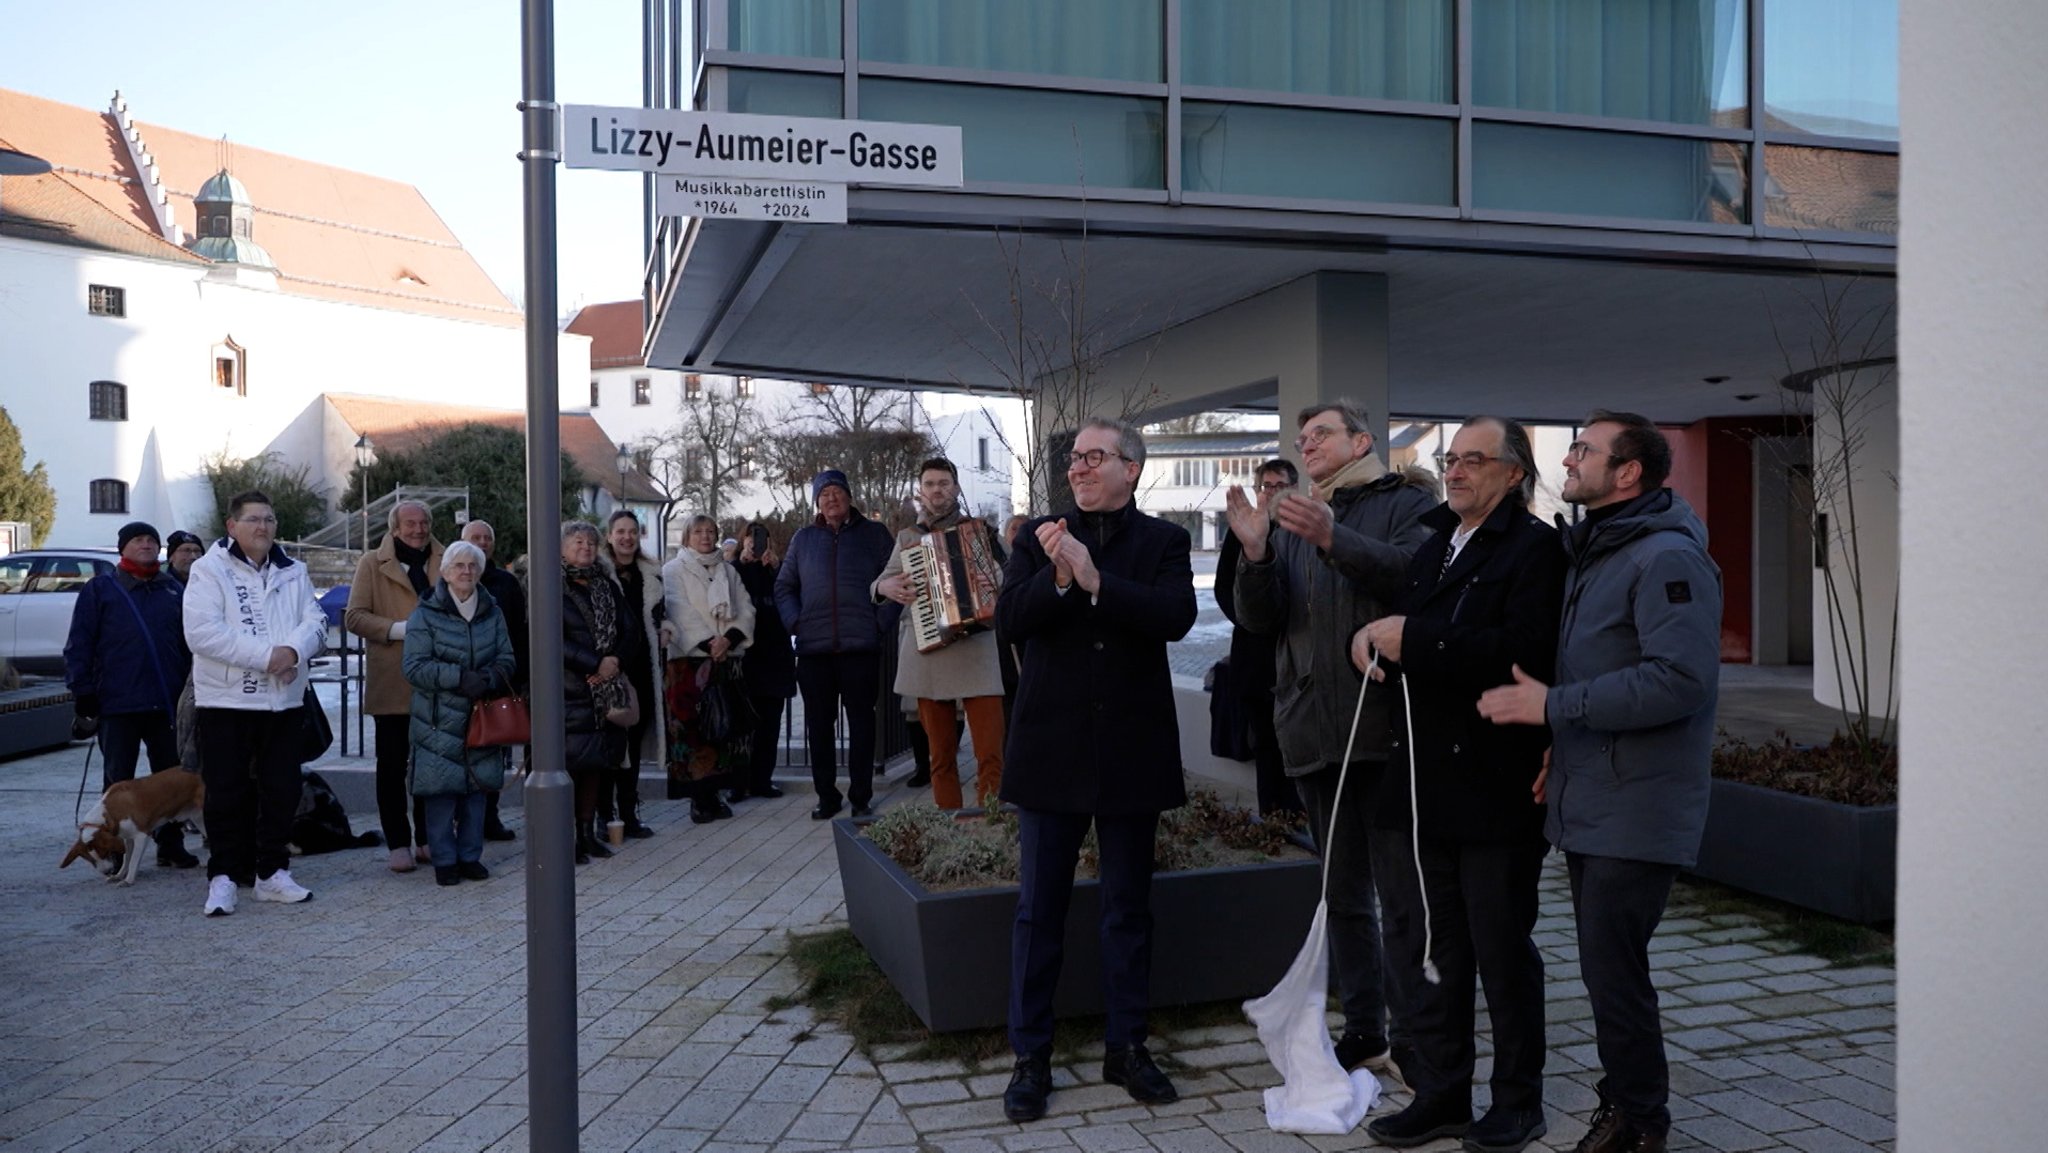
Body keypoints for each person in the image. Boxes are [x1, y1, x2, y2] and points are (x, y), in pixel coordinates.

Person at [1477, 411, 1722, 1153]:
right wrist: (1564, 739)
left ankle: (1640, 1123)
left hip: (1640, 801)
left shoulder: (1664, 559)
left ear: (1629, 473)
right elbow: (1604, 667)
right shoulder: (1600, 550)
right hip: (1597, 789)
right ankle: (1625, 1104)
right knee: (1606, 965)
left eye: (1586, 448)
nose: (1571, 456)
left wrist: (1552, 705)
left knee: (1614, 971)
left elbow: (1679, 679)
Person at [1349, 418, 1565, 1152]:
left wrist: (1420, 642)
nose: (1457, 470)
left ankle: (1517, 1099)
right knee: (1441, 952)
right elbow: (1407, 629)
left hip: (1497, 785)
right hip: (1425, 784)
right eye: (1452, 458)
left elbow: (1526, 651)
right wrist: (1372, 644)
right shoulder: (1438, 538)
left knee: (1502, 949)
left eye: (1475, 460)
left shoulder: (1536, 550)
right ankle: (1443, 1092)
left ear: (1514, 473)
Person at [1224, 400, 1435, 1077]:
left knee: (1402, 897)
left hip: (1386, 728)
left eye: (1322, 434)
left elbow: (1416, 576)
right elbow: (1262, 620)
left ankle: (1417, 1036)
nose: (1306, 444)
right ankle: (1366, 1030)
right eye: (1302, 436)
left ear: (1362, 441)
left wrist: (1332, 538)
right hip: (1314, 727)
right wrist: (1256, 552)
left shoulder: (1407, 501)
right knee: (1341, 893)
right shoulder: (1289, 518)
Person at [998, 418, 1198, 1123]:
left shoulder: (1165, 542)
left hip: (1129, 748)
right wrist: (1059, 576)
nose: (1079, 468)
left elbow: (1175, 615)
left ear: (1132, 469)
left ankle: (1128, 1046)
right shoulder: (1038, 536)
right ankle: (1030, 1056)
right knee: (1038, 910)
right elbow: (1010, 619)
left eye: (1094, 457)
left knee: (1127, 910)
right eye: (1074, 458)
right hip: (1050, 748)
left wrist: (1095, 579)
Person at [183, 490, 326, 916]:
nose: (262, 527)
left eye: (268, 519)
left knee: (281, 790)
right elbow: (203, 634)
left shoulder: (294, 570)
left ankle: (272, 873)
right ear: (232, 526)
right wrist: (270, 658)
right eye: (252, 519)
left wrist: (293, 653)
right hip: (226, 702)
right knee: (226, 793)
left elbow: (315, 620)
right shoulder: (209, 571)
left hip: (284, 701)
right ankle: (223, 878)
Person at [873, 458, 1008, 810]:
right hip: (929, 654)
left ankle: (989, 826)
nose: (937, 490)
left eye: (944, 483)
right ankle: (949, 830)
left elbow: (1011, 579)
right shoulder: (907, 538)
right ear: (921, 491)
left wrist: (995, 578)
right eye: (930, 484)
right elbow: (878, 583)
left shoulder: (983, 532)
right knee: (940, 757)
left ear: (956, 488)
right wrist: (885, 586)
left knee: (991, 755)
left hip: (977, 650)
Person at [63, 520, 198, 869]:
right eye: (138, 540)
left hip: (167, 702)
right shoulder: (100, 589)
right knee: (117, 781)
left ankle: (170, 845)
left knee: (172, 782)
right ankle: (114, 850)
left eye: (151, 540)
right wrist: (83, 692)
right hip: (117, 703)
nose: (146, 545)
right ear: (123, 548)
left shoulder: (173, 589)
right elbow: (80, 643)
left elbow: (191, 644)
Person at [774, 469, 894, 820]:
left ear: (848, 495)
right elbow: (784, 587)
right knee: (819, 727)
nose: (831, 498)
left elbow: (898, 580)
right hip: (814, 651)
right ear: (817, 501)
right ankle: (827, 796)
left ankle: (860, 796)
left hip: (861, 648)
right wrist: (796, 623)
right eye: (823, 493)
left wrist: (879, 625)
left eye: (836, 491)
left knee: (861, 725)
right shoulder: (803, 539)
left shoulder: (874, 535)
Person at [402, 540, 517, 886]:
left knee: (476, 792)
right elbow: (414, 667)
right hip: (438, 719)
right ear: (445, 572)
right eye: (459, 565)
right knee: (441, 794)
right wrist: (457, 677)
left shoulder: (492, 611)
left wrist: (488, 677)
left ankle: (470, 856)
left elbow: (508, 659)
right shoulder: (424, 614)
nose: (466, 571)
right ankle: (444, 860)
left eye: (472, 566)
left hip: (481, 715)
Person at [345, 500, 443, 873]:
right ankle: (398, 842)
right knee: (392, 766)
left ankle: (427, 838)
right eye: (411, 523)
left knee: (429, 767)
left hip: (436, 681)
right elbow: (354, 616)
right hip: (393, 679)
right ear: (395, 528)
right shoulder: (372, 563)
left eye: (424, 522)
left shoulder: (445, 557)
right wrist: (398, 630)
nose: (419, 529)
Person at [1212, 458, 1299, 820]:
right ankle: (1273, 818)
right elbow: (1223, 589)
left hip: (1295, 656)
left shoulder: (1306, 528)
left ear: (1294, 487)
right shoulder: (1241, 531)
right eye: (1267, 486)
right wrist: (1254, 619)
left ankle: (1300, 815)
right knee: (1265, 742)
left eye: (1280, 486)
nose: (1272, 493)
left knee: (1295, 743)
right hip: (1255, 659)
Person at [660, 514, 757, 823]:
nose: (705, 536)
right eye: (698, 531)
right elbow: (679, 610)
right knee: (692, 732)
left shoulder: (727, 571)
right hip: (689, 662)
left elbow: (745, 608)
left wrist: (728, 640)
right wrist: (707, 644)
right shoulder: (674, 569)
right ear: (688, 536)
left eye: (710, 531)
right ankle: (698, 799)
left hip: (724, 660)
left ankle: (715, 793)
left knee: (722, 728)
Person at [560, 521, 631, 864]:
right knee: (571, 765)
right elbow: (552, 639)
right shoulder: (551, 585)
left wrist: (614, 659)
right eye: (578, 542)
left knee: (596, 764)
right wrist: (594, 663)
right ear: (561, 547)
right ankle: (566, 837)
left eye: (590, 542)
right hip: (570, 688)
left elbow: (628, 628)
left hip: (606, 690)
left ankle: (588, 834)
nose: (586, 547)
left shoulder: (607, 585)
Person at [598, 509, 664, 840]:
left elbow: (664, 614)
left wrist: (666, 627)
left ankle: (628, 811)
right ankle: (603, 815)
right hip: (608, 669)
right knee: (608, 745)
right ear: (609, 536)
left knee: (633, 745)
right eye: (620, 531)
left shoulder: (651, 573)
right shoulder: (598, 573)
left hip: (641, 669)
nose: (627, 537)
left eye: (633, 532)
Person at [461, 519, 526, 841]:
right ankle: (463, 822)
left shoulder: (507, 584)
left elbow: (518, 634)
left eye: (488, 538)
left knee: (495, 754)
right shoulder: (450, 581)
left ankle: (490, 817)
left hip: (498, 680)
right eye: (476, 537)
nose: (482, 543)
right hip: (460, 683)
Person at [731, 522, 792, 803]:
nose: (755, 544)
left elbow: (791, 597)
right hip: (746, 657)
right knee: (741, 724)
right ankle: (738, 781)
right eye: (751, 538)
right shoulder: (735, 570)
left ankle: (762, 780)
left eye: (761, 539)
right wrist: (738, 563)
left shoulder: (779, 571)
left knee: (770, 724)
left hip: (775, 656)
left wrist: (776, 568)